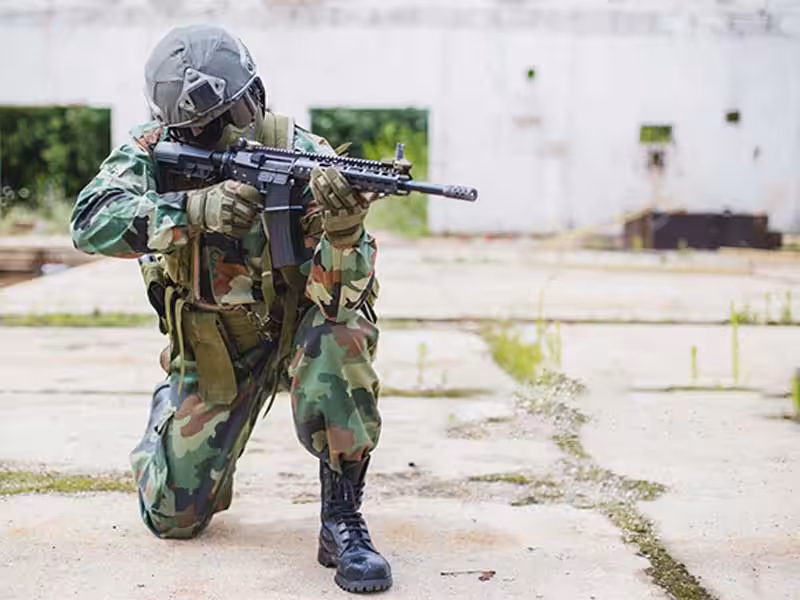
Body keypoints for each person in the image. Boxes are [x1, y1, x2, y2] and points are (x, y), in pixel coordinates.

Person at [70, 24, 392, 594]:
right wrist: (191, 209)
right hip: (217, 350)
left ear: (257, 94)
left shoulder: (303, 153)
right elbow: (90, 221)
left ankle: (342, 518)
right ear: (173, 126)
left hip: (298, 335)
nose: (224, 135)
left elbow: (346, 296)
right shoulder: (150, 152)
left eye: (234, 113)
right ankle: (168, 414)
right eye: (202, 128)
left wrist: (345, 234)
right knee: (173, 518)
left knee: (341, 334)